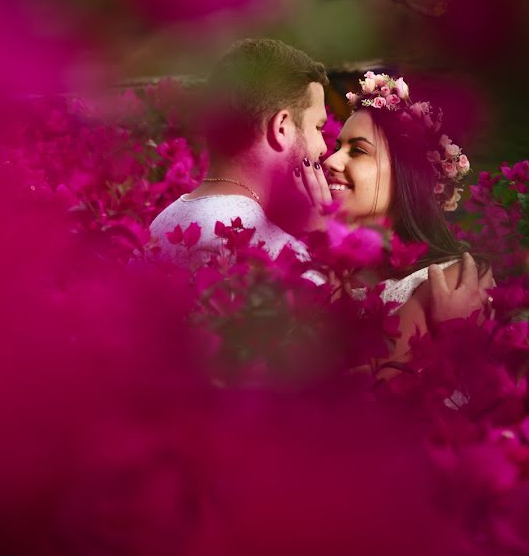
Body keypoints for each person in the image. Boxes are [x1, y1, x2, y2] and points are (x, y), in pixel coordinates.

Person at [315, 71, 494, 372]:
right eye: (337, 148)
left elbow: (377, 391)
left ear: (408, 174)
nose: (331, 161)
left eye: (357, 150)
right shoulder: (333, 269)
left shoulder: (451, 279)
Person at [147, 38, 329, 269]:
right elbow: (321, 306)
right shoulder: (271, 251)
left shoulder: (159, 226)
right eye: (318, 127)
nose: (323, 147)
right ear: (281, 127)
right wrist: (322, 246)